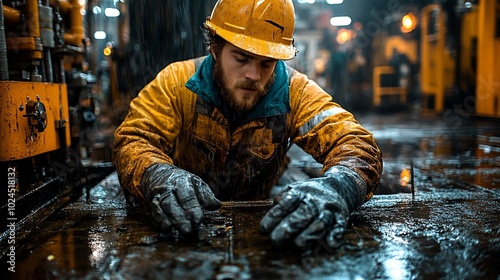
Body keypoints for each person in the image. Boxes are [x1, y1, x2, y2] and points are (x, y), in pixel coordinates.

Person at [112, 0, 382, 251]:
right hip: (184, 231)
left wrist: (340, 185)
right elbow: (135, 139)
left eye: (267, 63)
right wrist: (157, 175)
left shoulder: (294, 91)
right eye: (241, 59)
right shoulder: (176, 83)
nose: (254, 76)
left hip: (264, 230)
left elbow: (354, 143)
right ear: (215, 49)